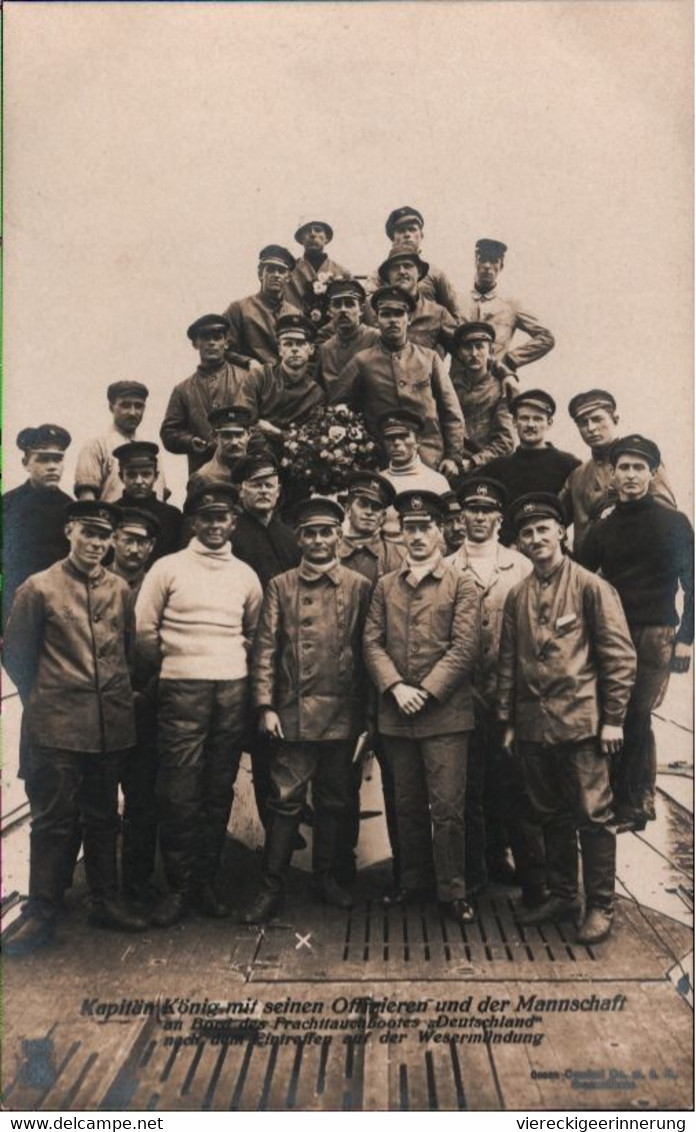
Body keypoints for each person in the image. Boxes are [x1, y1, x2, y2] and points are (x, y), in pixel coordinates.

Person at [3, 501, 147, 956]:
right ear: (70, 531)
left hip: (109, 728)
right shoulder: (38, 588)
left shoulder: (120, 589)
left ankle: (106, 900)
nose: (97, 544)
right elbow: (17, 658)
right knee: (53, 821)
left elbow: (126, 652)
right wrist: (47, 700)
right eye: (89, 533)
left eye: (105, 536)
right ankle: (42, 912)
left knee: (104, 817)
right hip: (56, 728)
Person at [496, 493, 637, 944]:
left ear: (561, 532)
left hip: (583, 724)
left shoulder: (592, 587)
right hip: (534, 726)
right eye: (527, 533)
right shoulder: (517, 595)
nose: (536, 539)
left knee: (593, 815)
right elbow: (508, 663)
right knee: (548, 813)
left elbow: (620, 658)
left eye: (544, 529)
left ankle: (600, 905)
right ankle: (563, 896)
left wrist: (613, 719)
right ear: (518, 543)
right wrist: (510, 720)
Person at [135, 481, 263, 926]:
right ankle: (178, 887)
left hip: (231, 689)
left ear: (233, 521)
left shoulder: (245, 575)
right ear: (193, 521)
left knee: (216, 787)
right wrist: (181, 664)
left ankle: (205, 883)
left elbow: (251, 631)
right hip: (180, 689)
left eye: (222, 517)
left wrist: (223, 662)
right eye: (205, 517)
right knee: (179, 790)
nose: (214, 525)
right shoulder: (167, 569)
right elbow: (144, 632)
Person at [243, 497, 373, 923]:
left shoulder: (359, 586)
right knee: (286, 801)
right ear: (299, 538)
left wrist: (367, 719)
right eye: (310, 533)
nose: (318, 540)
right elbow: (264, 650)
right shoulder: (280, 586)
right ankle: (269, 888)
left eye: (326, 532)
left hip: (343, 713)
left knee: (336, 800)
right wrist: (265, 705)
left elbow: (369, 652)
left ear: (339, 535)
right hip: (293, 714)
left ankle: (327, 879)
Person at [363, 490, 481, 924]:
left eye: (424, 527)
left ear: (440, 532)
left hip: (446, 716)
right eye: (408, 528)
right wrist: (395, 687)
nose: (416, 536)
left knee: (447, 807)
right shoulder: (385, 586)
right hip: (397, 714)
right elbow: (372, 642)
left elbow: (466, 647)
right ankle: (411, 882)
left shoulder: (461, 583)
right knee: (406, 802)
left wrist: (426, 691)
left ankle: (453, 890)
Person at [577, 435, 693, 833]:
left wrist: (686, 638)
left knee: (638, 714)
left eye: (638, 467)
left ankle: (636, 802)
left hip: (658, 632)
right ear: (612, 473)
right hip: (612, 631)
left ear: (653, 472)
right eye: (623, 467)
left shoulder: (675, 523)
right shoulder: (604, 526)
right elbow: (577, 574)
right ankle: (618, 798)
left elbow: (692, 583)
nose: (630, 475)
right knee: (615, 712)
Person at [445, 477, 538, 899]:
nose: (478, 517)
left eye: (487, 510)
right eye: (472, 509)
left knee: (508, 779)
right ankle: (473, 867)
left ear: (499, 517)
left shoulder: (520, 565)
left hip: (508, 689)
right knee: (468, 782)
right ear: (461, 516)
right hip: (462, 690)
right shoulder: (447, 566)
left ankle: (503, 858)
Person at [336, 471, 405, 885]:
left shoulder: (395, 556)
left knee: (399, 781)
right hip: (344, 681)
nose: (370, 515)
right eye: (363, 505)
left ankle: (406, 872)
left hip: (387, 681)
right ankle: (340, 870)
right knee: (341, 780)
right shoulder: (329, 549)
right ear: (348, 505)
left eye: (378, 509)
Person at [229, 452, 302, 833]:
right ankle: (272, 834)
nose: (263, 490)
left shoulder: (290, 535)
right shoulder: (233, 537)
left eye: (269, 483)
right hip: (249, 656)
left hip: (292, 657)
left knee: (290, 744)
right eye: (255, 484)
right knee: (261, 746)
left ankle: (289, 829)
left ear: (279, 490)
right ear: (241, 490)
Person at [330, 285, 465, 475]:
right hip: (381, 462)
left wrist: (453, 456)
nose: (393, 320)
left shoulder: (429, 358)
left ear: (408, 319)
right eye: (385, 314)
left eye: (399, 314)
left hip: (430, 460)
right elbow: (336, 407)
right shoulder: (362, 361)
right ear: (376, 320)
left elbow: (451, 412)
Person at [108, 507, 162, 905]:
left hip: (148, 707)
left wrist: (148, 693)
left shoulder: (159, 585)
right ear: (113, 539)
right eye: (127, 538)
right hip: (100, 710)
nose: (134, 547)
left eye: (142, 541)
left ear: (152, 547)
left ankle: (138, 883)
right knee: (96, 803)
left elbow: (173, 643)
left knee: (144, 801)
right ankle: (101, 889)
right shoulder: (98, 582)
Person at [560, 389, 677, 555]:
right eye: (583, 423)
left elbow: (666, 511)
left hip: (628, 566)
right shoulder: (577, 475)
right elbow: (554, 518)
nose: (591, 428)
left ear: (615, 419)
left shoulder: (640, 462)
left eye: (597, 419)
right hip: (585, 571)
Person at [160, 314, 264, 475]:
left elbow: (259, 423)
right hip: (203, 476)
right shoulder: (183, 390)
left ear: (226, 342)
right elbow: (168, 433)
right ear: (195, 344)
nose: (212, 343)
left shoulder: (246, 379)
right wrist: (189, 442)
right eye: (205, 338)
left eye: (217, 337)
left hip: (244, 473)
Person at [486, 390, 580, 540]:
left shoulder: (569, 465)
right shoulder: (497, 468)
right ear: (514, 422)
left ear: (549, 424)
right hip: (508, 550)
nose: (530, 424)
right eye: (524, 418)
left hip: (551, 549)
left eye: (538, 419)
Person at [4, 424, 72, 622]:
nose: (52, 466)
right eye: (43, 459)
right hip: (14, 606)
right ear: (26, 463)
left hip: (57, 611)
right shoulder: (8, 505)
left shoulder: (70, 508)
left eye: (58, 459)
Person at [461, 238, 555, 373]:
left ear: (501, 266)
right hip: (458, 386)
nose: (487, 266)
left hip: (495, 384)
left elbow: (546, 337)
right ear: (475, 262)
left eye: (494, 261)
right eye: (483, 260)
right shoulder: (457, 300)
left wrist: (511, 359)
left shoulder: (511, 305)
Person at [75, 381, 167, 502]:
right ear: (111, 407)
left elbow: (161, 497)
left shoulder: (151, 450)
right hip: (113, 519)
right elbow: (87, 499)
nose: (132, 412)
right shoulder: (96, 445)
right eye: (125, 405)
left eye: (138, 406)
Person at [366, 206, 462, 320]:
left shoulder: (435, 274)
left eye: (412, 229)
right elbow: (369, 307)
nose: (407, 234)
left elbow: (455, 314)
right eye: (401, 231)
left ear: (421, 235)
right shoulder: (379, 275)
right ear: (393, 238)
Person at [448, 323, 516, 473]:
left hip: (488, 467)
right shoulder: (450, 384)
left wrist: (473, 462)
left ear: (490, 351)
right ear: (459, 353)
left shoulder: (500, 389)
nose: (474, 353)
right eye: (467, 347)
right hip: (452, 465)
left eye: (480, 347)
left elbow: (506, 442)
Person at [223, 245, 300, 371]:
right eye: (270, 269)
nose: (276, 275)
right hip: (250, 380)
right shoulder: (239, 309)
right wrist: (248, 362)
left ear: (288, 277)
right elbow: (224, 349)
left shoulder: (295, 313)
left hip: (286, 383)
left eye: (281, 271)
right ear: (260, 274)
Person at [373, 247, 457, 357]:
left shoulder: (438, 314)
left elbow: (463, 350)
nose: (402, 271)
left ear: (419, 272)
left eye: (407, 266)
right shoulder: (376, 313)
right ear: (388, 276)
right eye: (395, 267)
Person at [254, 313, 326, 435]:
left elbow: (312, 436)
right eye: (288, 344)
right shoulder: (261, 376)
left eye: (300, 343)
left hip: (297, 451)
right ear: (280, 350)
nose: (294, 349)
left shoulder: (316, 393)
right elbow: (246, 418)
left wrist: (276, 432)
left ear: (311, 349)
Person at [112, 441, 183, 563]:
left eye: (146, 474)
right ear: (121, 476)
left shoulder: (172, 516)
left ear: (155, 476)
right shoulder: (112, 514)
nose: (139, 481)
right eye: (131, 475)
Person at [316, 278, 380, 398]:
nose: (343, 309)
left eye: (350, 304)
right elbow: (320, 389)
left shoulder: (376, 338)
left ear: (361, 309)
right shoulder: (326, 349)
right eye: (337, 305)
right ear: (330, 311)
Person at [284, 218, 351, 313]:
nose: (312, 234)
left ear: (326, 238)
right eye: (307, 231)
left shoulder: (341, 272)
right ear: (301, 239)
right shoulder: (289, 272)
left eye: (318, 230)